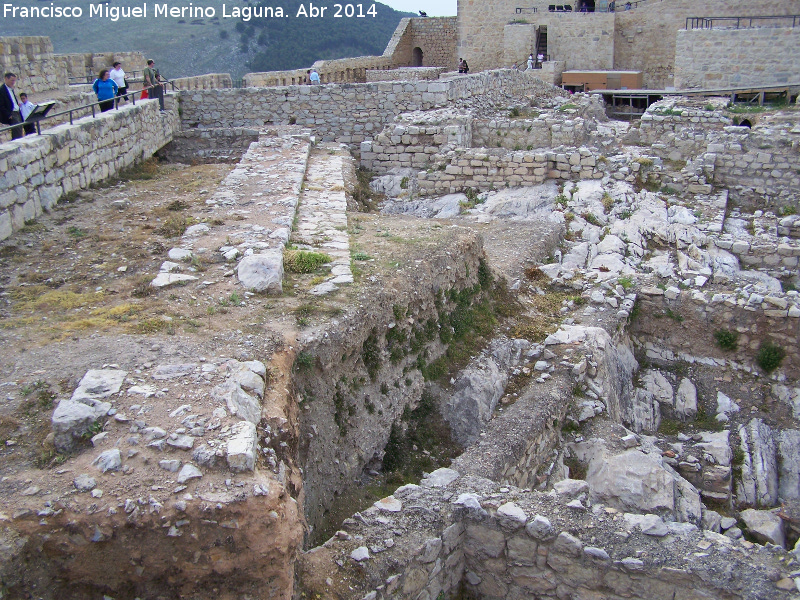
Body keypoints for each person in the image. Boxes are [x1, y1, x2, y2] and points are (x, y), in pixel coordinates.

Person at [0, 72, 23, 140]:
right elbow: (1, 105)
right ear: (6, 79)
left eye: (14, 80)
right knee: (17, 133)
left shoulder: (10, 89)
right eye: (12, 80)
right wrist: (8, 115)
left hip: (17, 112)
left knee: (19, 131)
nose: (13, 82)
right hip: (12, 114)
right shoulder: (2, 90)